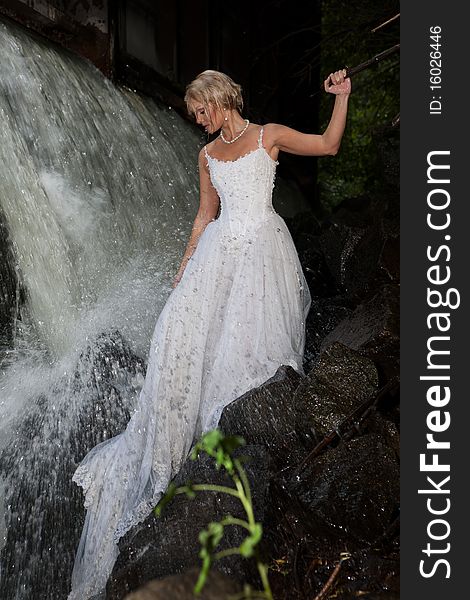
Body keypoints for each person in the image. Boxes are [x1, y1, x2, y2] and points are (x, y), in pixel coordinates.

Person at [68, 67, 351, 600]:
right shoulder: (205, 157)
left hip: (262, 252)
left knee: (252, 346)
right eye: (194, 114)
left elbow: (331, 145)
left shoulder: (269, 136)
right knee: (184, 337)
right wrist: (184, 270)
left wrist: (342, 98)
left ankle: (256, 437)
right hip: (218, 254)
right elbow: (203, 216)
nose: (197, 120)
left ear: (222, 98)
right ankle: (199, 451)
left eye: (201, 110)